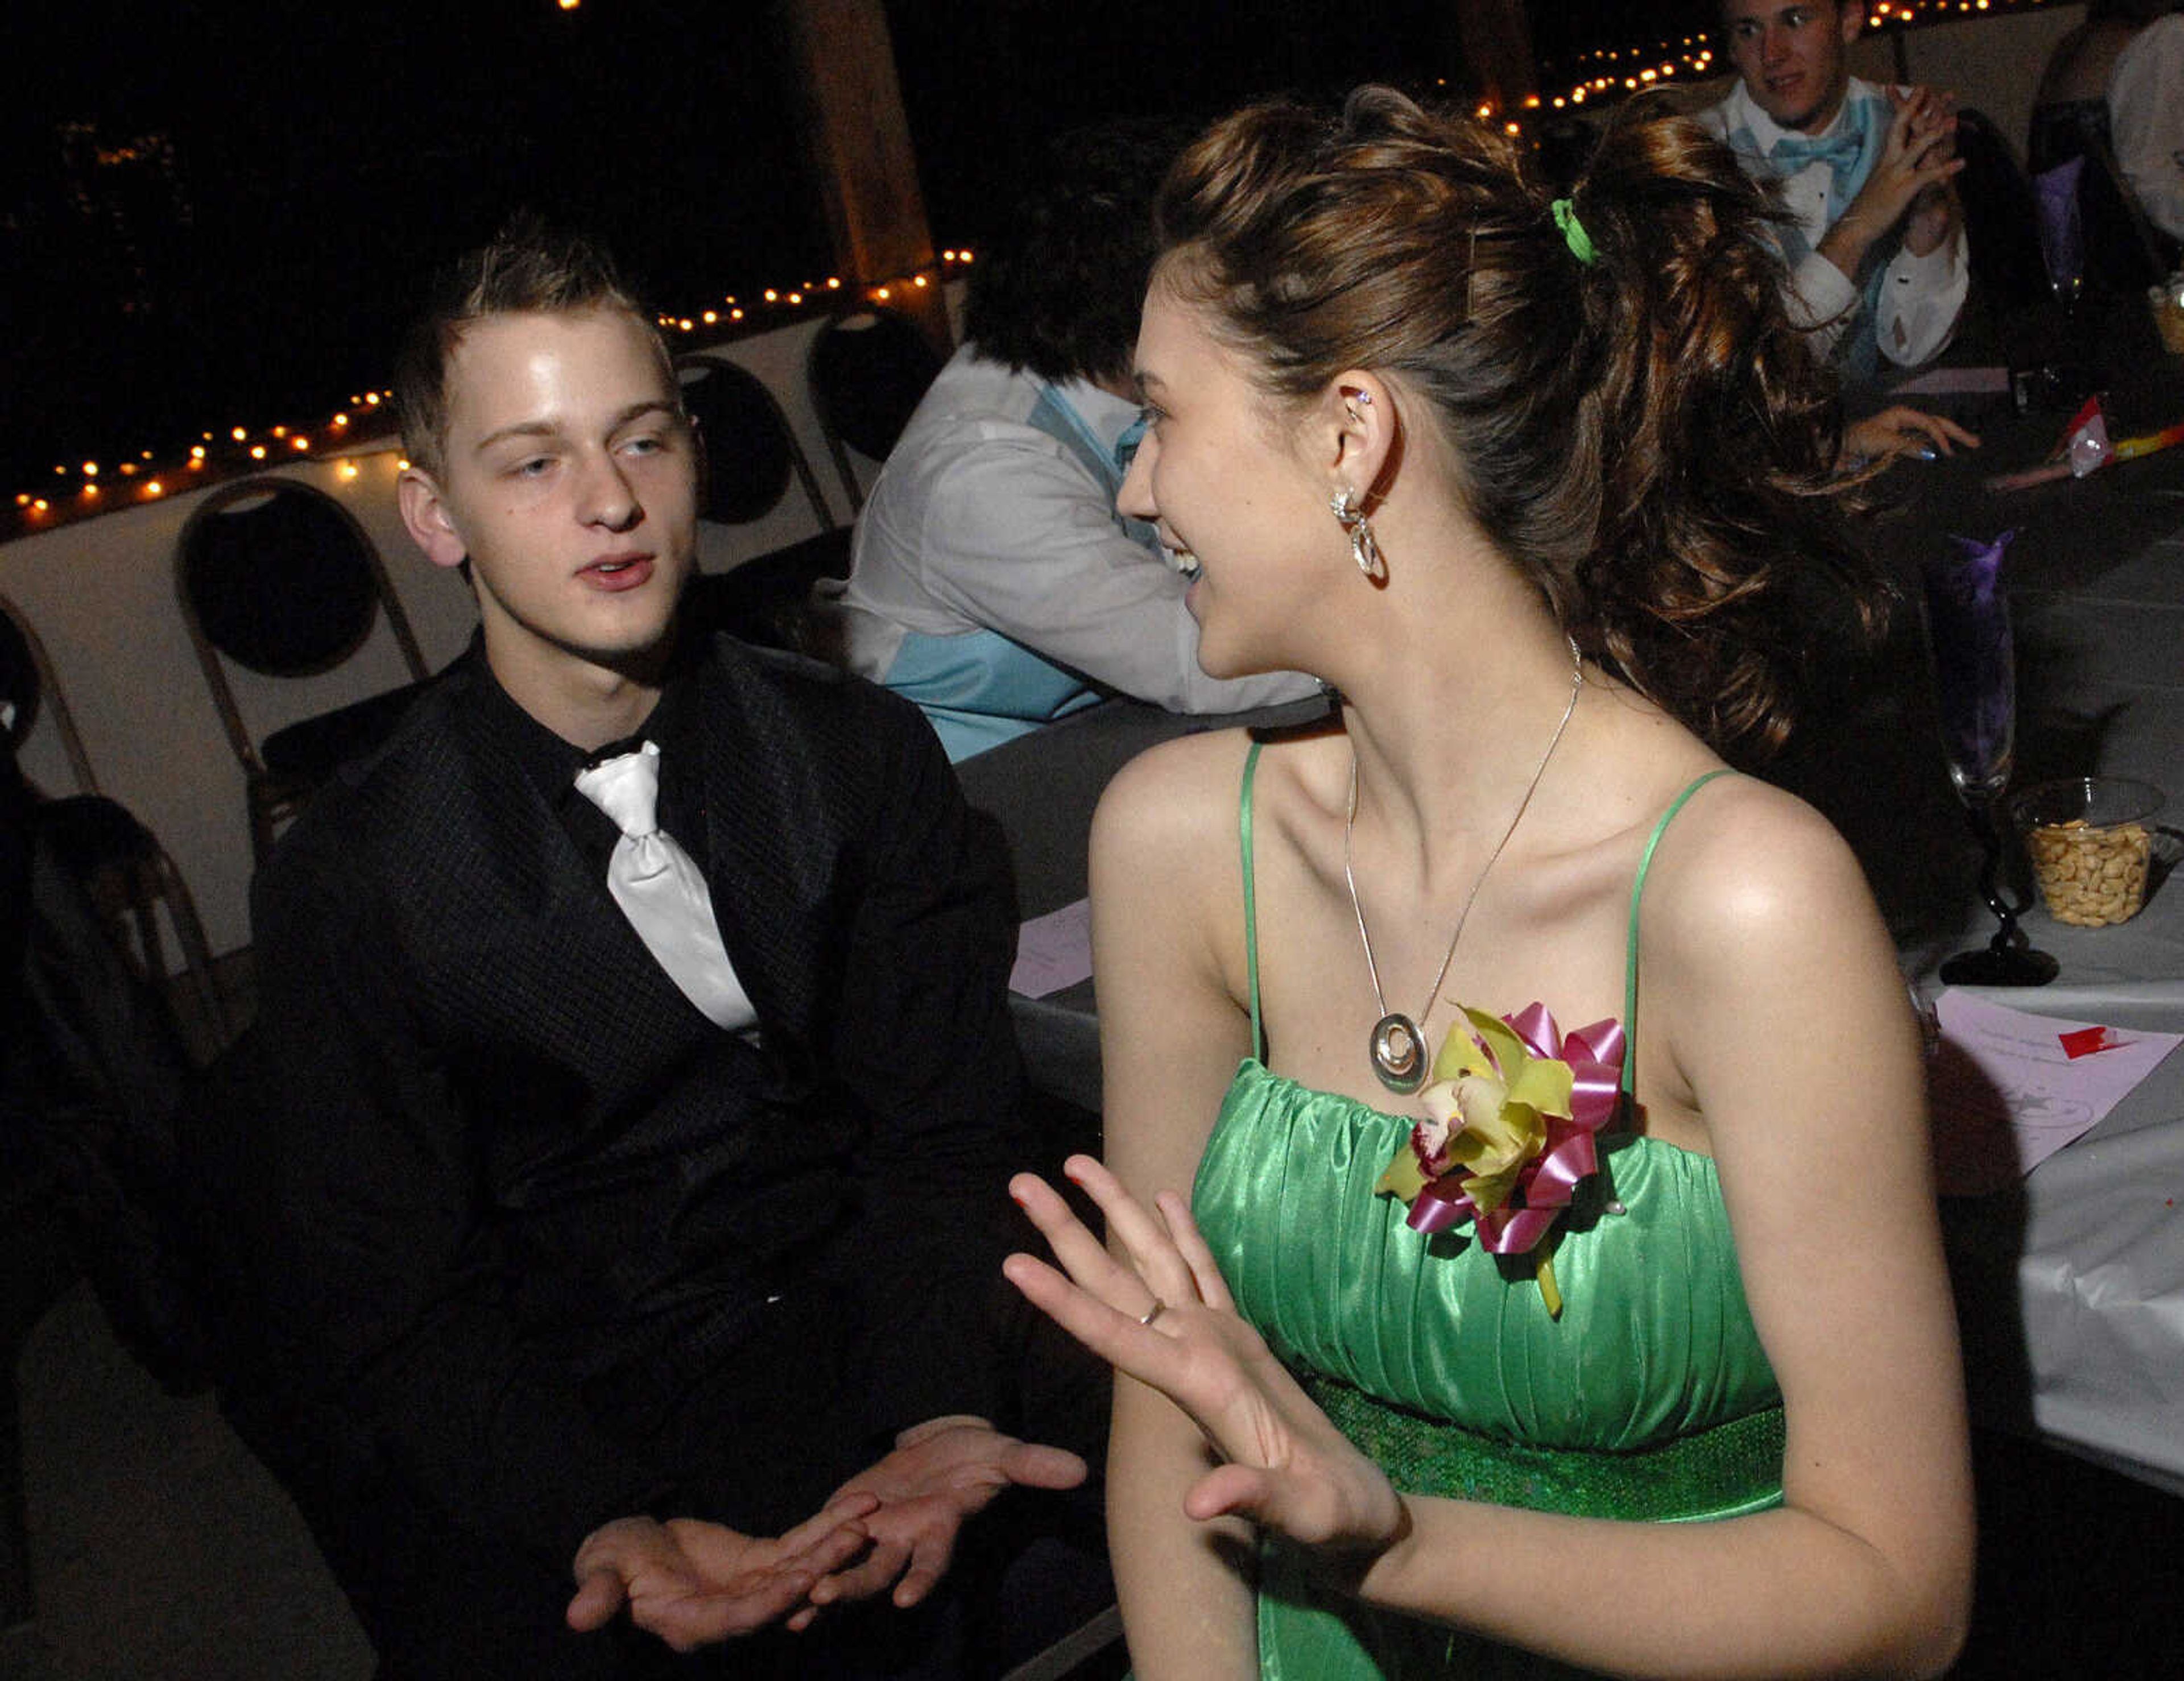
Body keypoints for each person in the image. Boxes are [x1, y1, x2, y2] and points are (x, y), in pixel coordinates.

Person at [999, 87, 1974, 1678]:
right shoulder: (1180, 846)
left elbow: (1900, 1588)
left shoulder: (1736, 901)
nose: (1135, 493)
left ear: (1350, 438)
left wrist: (1397, 1537)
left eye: (1162, 418)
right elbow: (1165, 1418)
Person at [214, 224, 1097, 1678]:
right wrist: (597, 1514)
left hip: (892, 1288)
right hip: (594, 1390)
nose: (612, 502)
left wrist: (940, 1400)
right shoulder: (355, 879)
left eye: (642, 439)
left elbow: (941, 1129)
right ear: (438, 518)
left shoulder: (853, 750)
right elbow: (402, 1301)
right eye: (535, 462)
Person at [825, 122, 1320, 762]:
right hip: (983, 780)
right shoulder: (982, 473)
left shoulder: (1066, 357)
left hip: (1108, 724)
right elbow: (1196, 661)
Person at [1698, 0, 1968, 386]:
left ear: (1850, 21)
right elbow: (1753, 380)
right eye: (1749, 30)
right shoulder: (1695, 159)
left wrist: (1931, 219)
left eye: (1795, 20)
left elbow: (1914, 350)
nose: (1772, 54)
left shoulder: (1902, 122)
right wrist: (1859, 228)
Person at [2029, 0, 2183, 288]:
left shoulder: (2085, 39)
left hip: (2071, 244)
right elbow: (2148, 174)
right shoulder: (2162, 40)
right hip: (2117, 254)